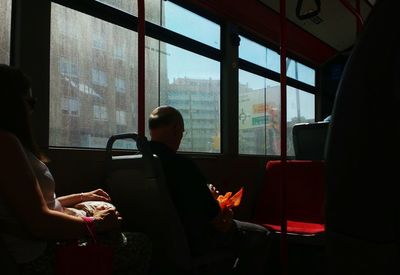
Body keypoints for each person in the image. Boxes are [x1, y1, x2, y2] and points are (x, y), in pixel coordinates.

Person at [0, 64, 151, 274]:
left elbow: (39, 204)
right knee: (141, 244)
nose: (32, 110)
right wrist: (94, 223)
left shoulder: (12, 144)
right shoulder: (5, 143)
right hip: (39, 255)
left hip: (44, 242)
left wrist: (82, 196)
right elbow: (39, 223)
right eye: (30, 102)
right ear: (13, 103)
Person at [148, 105, 270, 275]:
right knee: (260, 234)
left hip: (154, 239)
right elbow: (213, 216)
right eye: (182, 133)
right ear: (176, 129)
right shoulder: (182, 166)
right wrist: (215, 201)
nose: (181, 138)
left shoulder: (134, 163)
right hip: (191, 238)